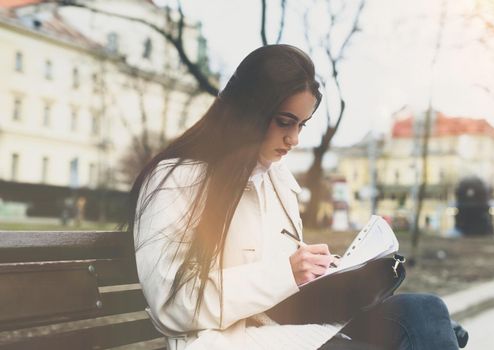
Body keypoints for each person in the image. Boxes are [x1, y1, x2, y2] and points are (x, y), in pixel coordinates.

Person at [128, 44, 461, 350]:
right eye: (285, 122)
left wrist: (327, 273)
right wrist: (287, 272)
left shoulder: (275, 179)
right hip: (231, 339)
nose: (294, 139)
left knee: (427, 312)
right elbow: (173, 304)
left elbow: (286, 276)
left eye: (302, 125)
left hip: (290, 326)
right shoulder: (178, 181)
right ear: (247, 112)